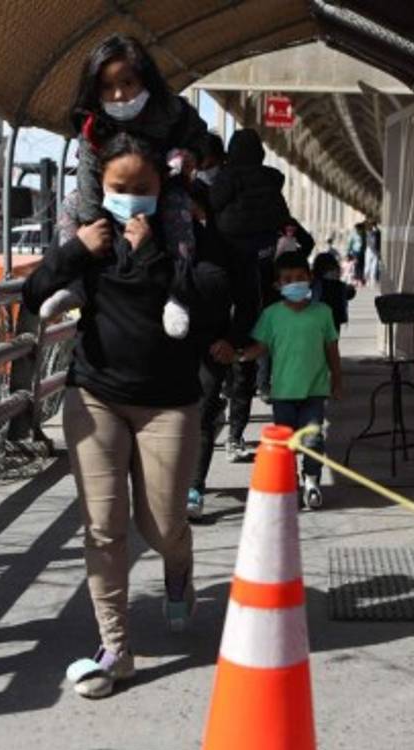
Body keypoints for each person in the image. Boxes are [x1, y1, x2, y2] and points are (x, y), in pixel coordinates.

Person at [22, 133, 228, 699]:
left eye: (142, 189)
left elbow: (215, 293)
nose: (131, 199)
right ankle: (115, 648)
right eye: (120, 188)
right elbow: (31, 293)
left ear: (162, 187)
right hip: (95, 394)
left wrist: (156, 255)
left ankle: (178, 565)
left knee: (160, 526)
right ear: (101, 188)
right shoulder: (90, 236)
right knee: (104, 528)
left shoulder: (183, 231)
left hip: (169, 399)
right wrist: (75, 252)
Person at [44, 34, 210, 338]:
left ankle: (177, 294)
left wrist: (191, 155)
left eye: (128, 83)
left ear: (144, 79)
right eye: (107, 87)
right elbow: (87, 176)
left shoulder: (173, 111)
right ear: (95, 90)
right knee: (71, 205)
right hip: (111, 195)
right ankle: (75, 285)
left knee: (177, 209)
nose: (119, 94)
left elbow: (200, 137)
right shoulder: (93, 127)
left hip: (161, 189)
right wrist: (92, 227)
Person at [187, 136, 259, 520]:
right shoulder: (159, 241)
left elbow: (249, 300)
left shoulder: (230, 244)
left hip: (212, 343)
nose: (189, 220)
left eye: (196, 213)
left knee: (202, 413)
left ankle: (193, 488)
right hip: (163, 345)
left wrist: (233, 341)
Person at [210, 128, 294, 460]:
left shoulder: (226, 178)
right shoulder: (272, 182)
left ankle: (218, 407)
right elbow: (284, 219)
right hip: (262, 270)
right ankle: (237, 431)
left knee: (221, 345)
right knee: (249, 342)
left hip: (225, 267)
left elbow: (214, 205)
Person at [241, 250, 343, 509]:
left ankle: (311, 482)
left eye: (300, 277)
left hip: (314, 391)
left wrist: (337, 380)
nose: (294, 282)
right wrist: (238, 356)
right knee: (285, 445)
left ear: (310, 278)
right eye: (287, 279)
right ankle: (289, 484)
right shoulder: (272, 315)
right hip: (283, 393)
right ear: (278, 285)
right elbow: (260, 347)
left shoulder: (323, 313)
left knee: (313, 441)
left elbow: (332, 348)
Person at [311, 250, 355, 334]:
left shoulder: (316, 284)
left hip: (327, 319)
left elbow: (350, 293)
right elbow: (350, 293)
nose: (334, 273)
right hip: (333, 319)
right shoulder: (335, 285)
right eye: (330, 270)